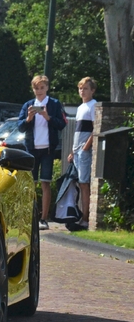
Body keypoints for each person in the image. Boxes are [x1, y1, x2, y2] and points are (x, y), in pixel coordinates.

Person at [17, 75, 67, 230]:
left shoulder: (54, 104)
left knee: (45, 182)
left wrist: (47, 117)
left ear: (47, 88)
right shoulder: (28, 105)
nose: (39, 91)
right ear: (33, 89)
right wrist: (28, 119)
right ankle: (29, 216)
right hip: (32, 149)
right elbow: (20, 127)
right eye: (36, 88)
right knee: (31, 184)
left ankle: (43, 218)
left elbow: (61, 124)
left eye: (42, 88)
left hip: (47, 149)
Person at [67, 77, 97, 230]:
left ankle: (86, 218)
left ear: (92, 90)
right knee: (79, 183)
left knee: (84, 184)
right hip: (77, 150)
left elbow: (95, 129)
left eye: (86, 88)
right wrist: (73, 151)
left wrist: (86, 147)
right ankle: (80, 215)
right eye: (80, 88)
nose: (82, 91)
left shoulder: (93, 106)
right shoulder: (80, 107)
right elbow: (77, 131)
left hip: (84, 151)